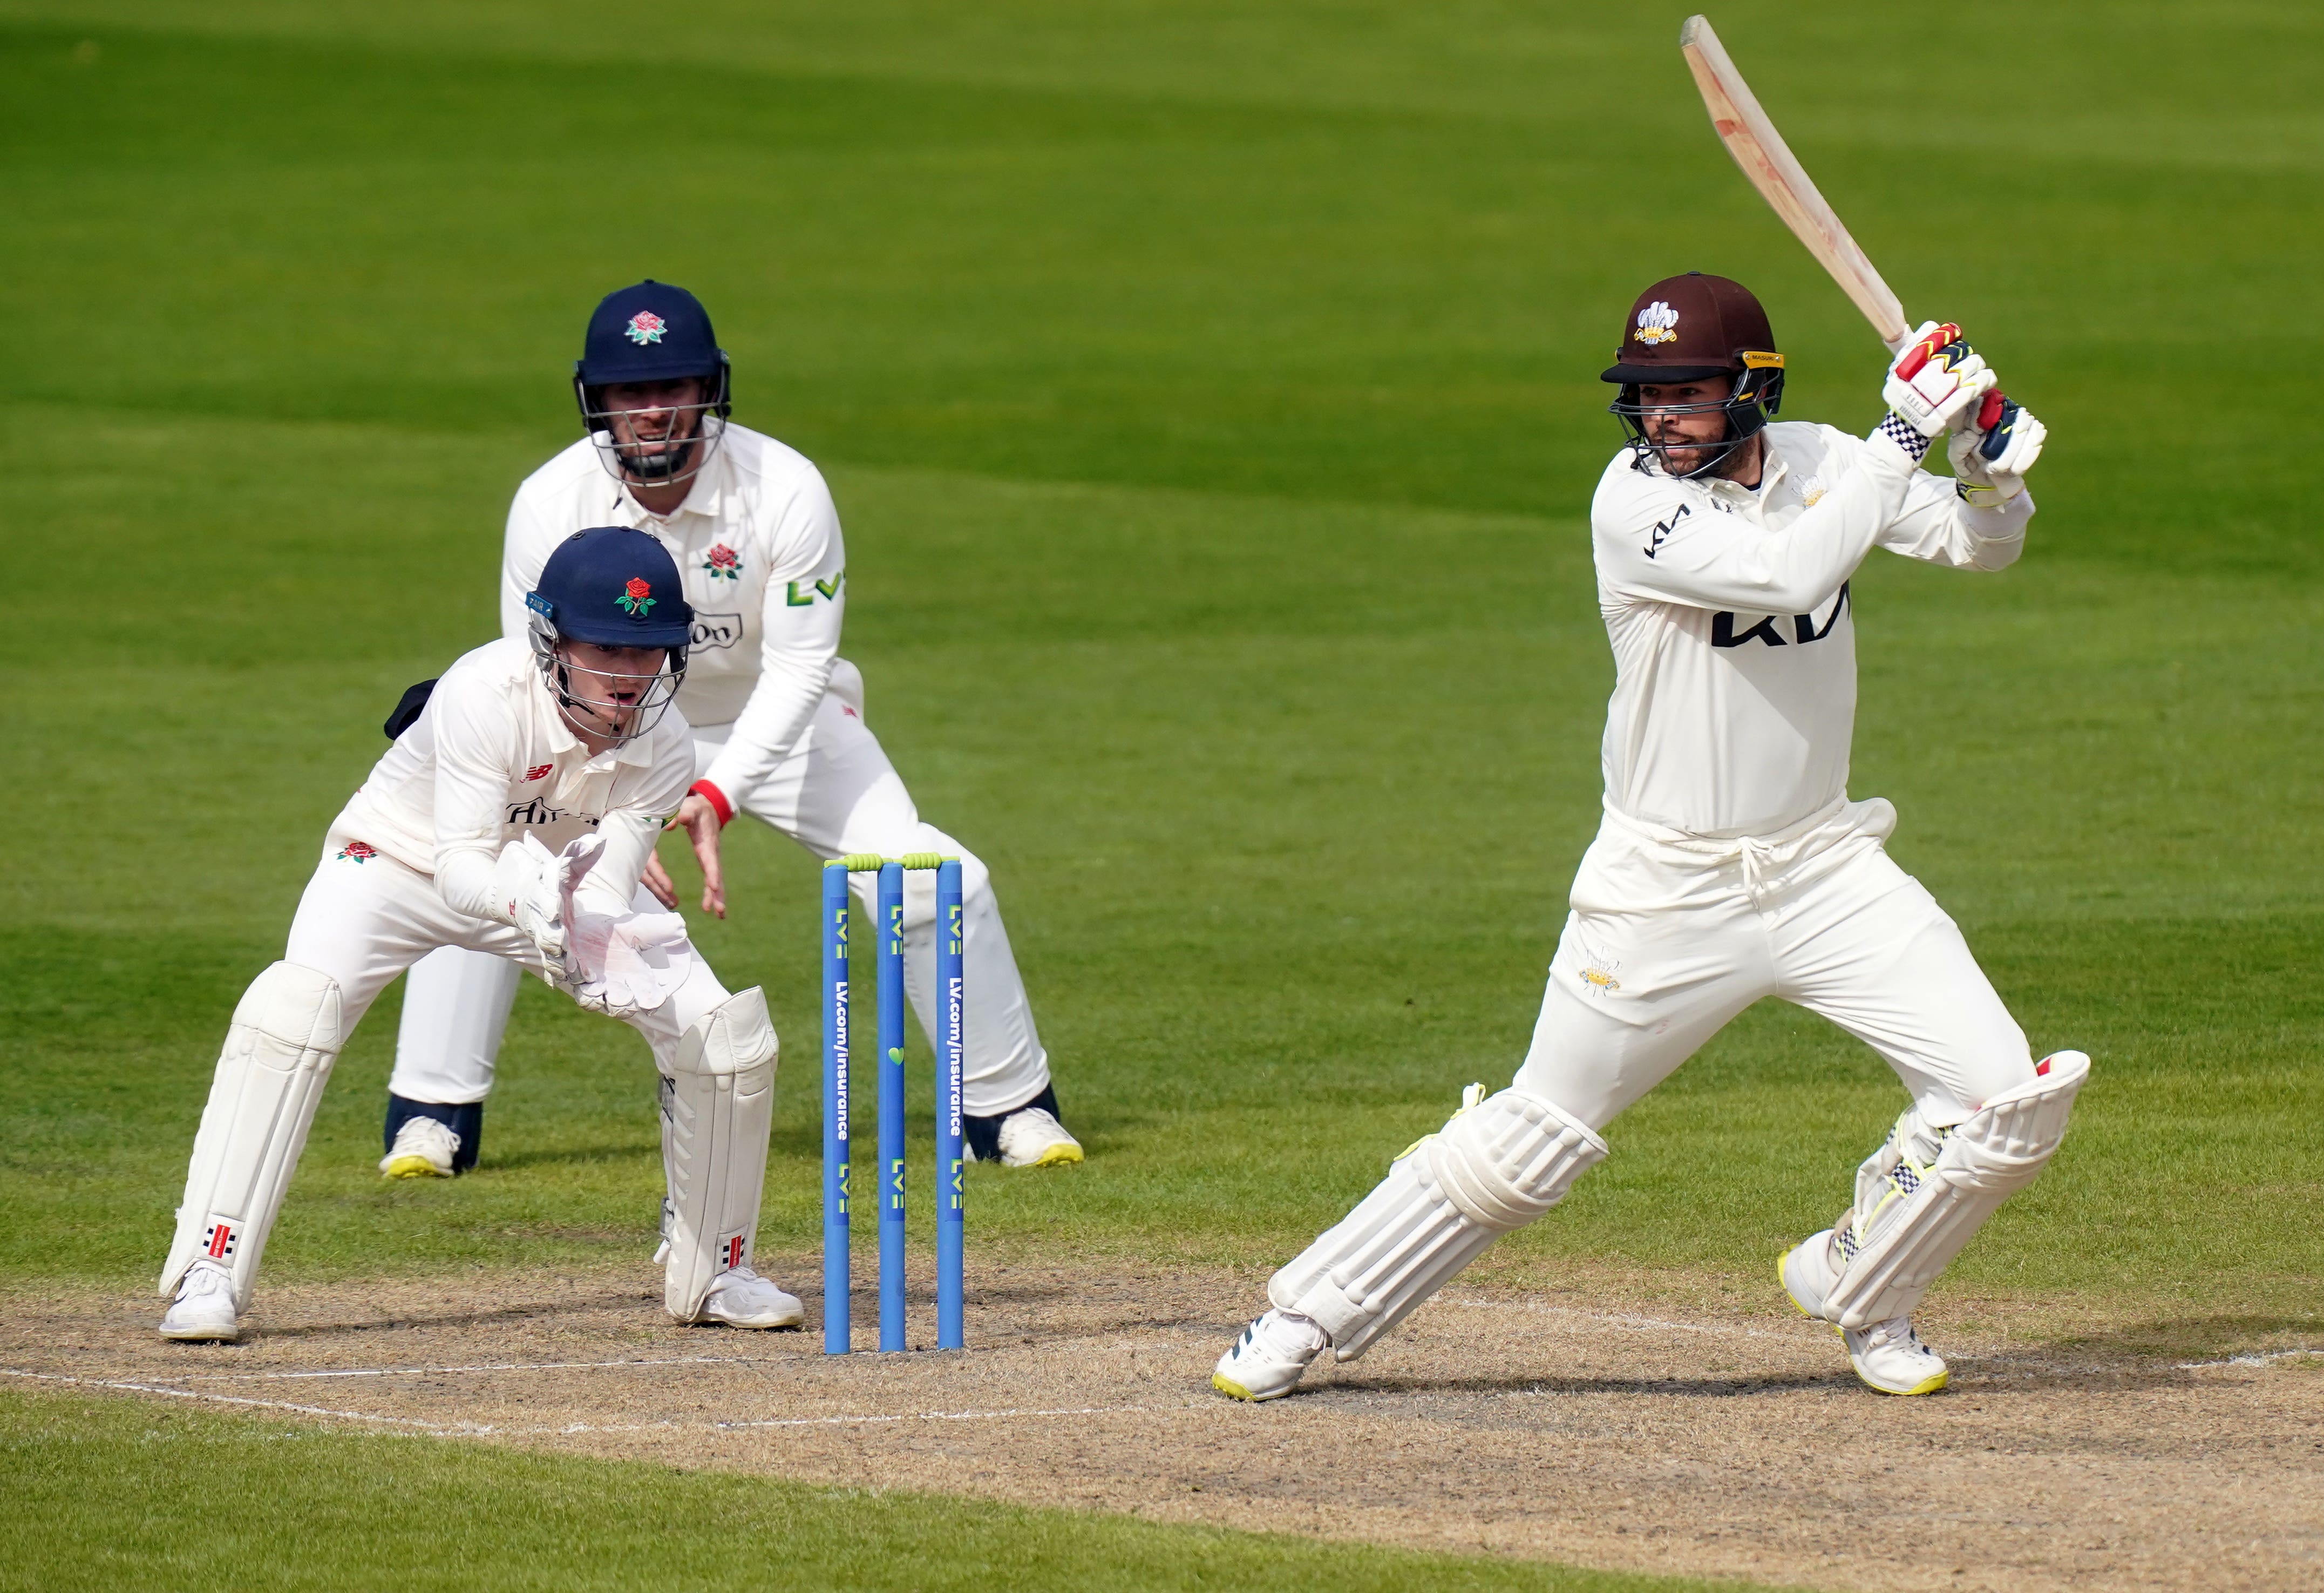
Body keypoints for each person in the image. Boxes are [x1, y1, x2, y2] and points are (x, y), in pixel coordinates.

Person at [1211, 272, 2087, 1401]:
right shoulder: (1630, 504)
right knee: (1532, 1144)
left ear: (1753, 391)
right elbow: (1789, 571)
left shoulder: (1824, 457)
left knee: (2006, 1102)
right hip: (1666, 886)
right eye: (1648, 394)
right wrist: (1906, 430)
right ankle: (1301, 1315)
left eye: (1690, 394)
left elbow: (1980, 549)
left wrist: (1986, 473)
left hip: (1824, 865)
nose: (1664, 419)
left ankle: (1860, 1283)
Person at [376, 280, 1081, 1184]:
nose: (655, 410)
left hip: (777, 727)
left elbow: (799, 669)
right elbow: (536, 678)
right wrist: (608, 812)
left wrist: (715, 791)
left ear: (712, 390)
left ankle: (1009, 1104)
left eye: (676, 386)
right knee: (484, 860)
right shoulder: (550, 501)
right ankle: (433, 1113)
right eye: (632, 393)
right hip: (604, 732)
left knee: (929, 879)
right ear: (597, 400)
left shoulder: (785, 487)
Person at [159, 528, 806, 1340]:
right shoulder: (483, 693)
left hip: (552, 884)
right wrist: (531, 902)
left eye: (649, 652)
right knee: (295, 1009)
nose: (627, 676)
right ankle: (210, 1268)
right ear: (553, 641)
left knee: (722, 1034)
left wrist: (584, 925)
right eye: (606, 647)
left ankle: (718, 1269)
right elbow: (460, 865)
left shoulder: (668, 744)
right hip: (395, 863)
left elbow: (608, 877)